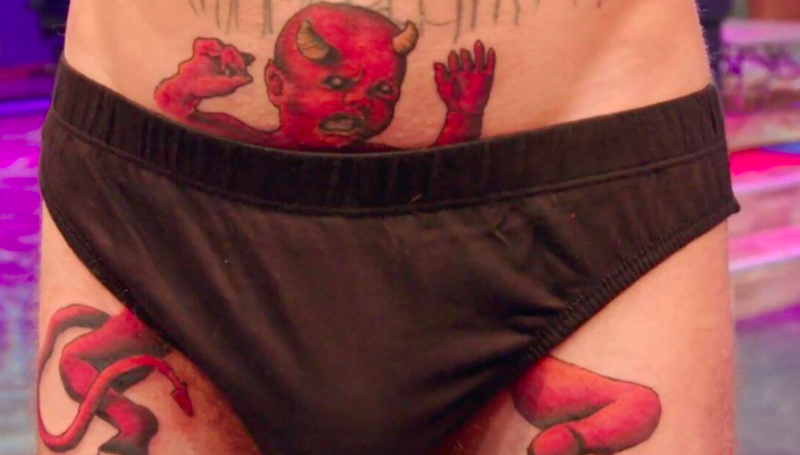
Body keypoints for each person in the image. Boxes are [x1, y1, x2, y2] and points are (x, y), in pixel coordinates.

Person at [36, 1, 738, 454]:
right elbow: (179, 105)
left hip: (582, 200)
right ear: (276, 86)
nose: (362, 106)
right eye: (340, 86)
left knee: (626, 407)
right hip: (159, 223)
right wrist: (191, 87)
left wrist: (464, 114)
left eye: (380, 92)